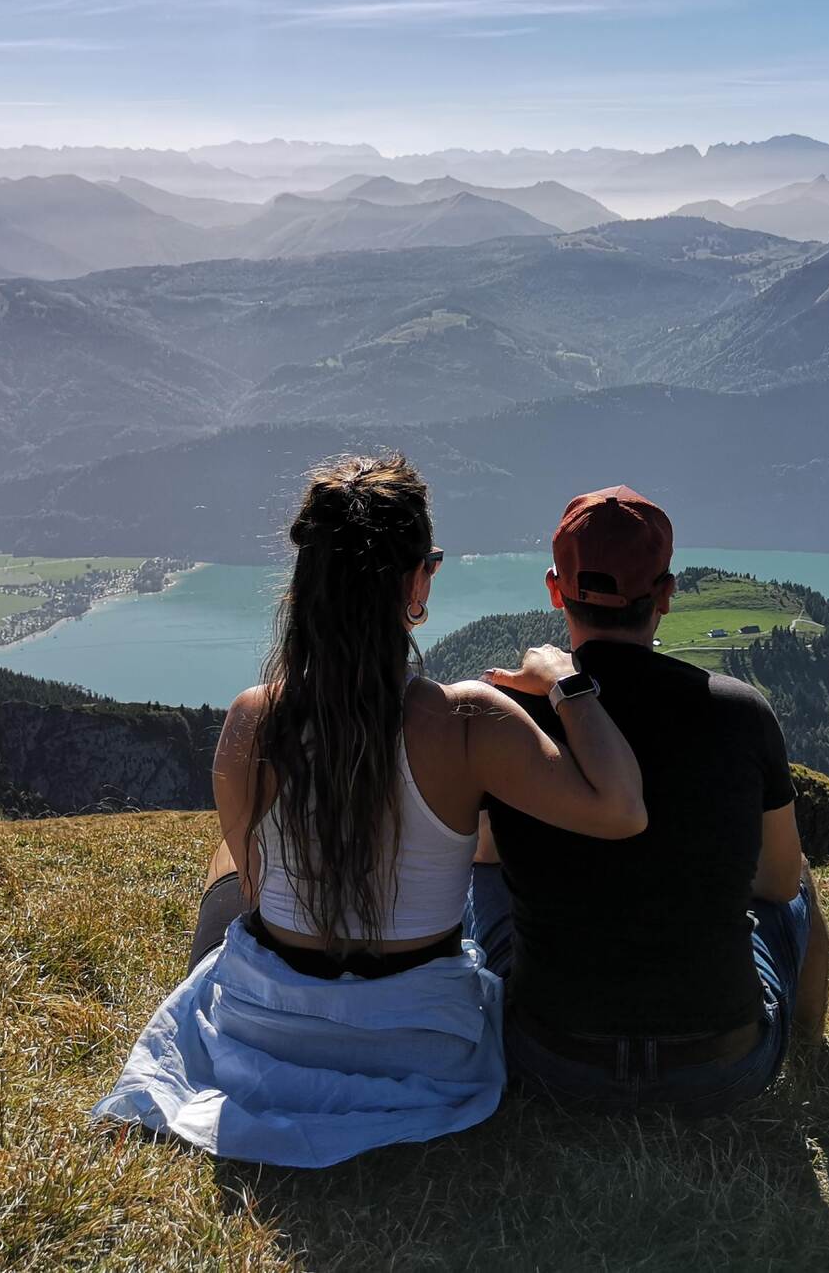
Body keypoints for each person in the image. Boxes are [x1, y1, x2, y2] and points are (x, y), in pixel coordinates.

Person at [92, 454, 645, 1167]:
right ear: (419, 579)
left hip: (265, 1035)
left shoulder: (253, 722)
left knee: (229, 860)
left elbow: (260, 898)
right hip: (424, 1050)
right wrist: (570, 683)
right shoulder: (472, 721)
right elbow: (621, 808)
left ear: (308, 583)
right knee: (485, 861)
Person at [465, 485, 829, 1115]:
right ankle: (808, 1047)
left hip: (549, 1060)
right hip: (721, 1065)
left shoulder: (516, 714)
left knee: (481, 875)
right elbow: (774, 885)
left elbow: (485, 853)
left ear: (556, 589)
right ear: (665, 593)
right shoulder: (740, 712)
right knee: (798, 874)